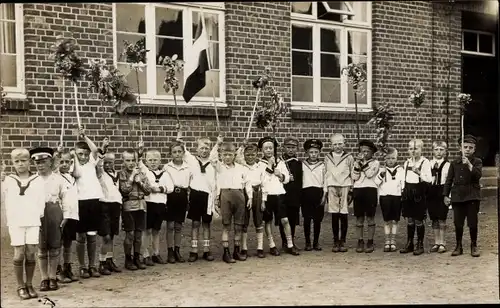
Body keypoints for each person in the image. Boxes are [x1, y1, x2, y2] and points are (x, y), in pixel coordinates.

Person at [2, 149, 45, 299]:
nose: (21, 164)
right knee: (19, 253)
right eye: (17, 161)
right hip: (16, 222)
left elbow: (41, 201)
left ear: (29, 161)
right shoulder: (8, 180)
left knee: (31, 252)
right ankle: (20, 286)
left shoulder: (37, 179)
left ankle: (29, 284)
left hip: (32, 221)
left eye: (24, 160)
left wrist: (38, 215)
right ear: (12, 163)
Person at [32, 147, 75, 292]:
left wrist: (66, 216)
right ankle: (44, 278)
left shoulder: (58, 179)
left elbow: (66, 197)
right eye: (37, 163)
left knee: (55, 247)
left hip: (54, 211)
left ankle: (52, 277)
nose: (40, 165)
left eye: (44, 162)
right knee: (42, 249)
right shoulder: (33, 180)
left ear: (50, 162)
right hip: (38, 214)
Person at [177, 129, 217, 262]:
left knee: (206, 224)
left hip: (208, 196)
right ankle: (193, 250)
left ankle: (206, 250)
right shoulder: (192, 160)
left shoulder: (213, 163)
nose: (204, 151)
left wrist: (219, 142)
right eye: (201, 148)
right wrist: (179, 134)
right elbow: (182, 146)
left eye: (207, 148)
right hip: (195, 195)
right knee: (195, 223)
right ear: (197, 149)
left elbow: (217, 149)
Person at [211, 137, 253, 263]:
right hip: (225, 195)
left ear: (234, 155)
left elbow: (248, 183)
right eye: (225, 155)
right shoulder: (219, 167)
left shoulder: (241, 168)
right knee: (226, 225)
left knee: (238, 226)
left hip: (239, 196)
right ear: (221, 155)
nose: (227, 157)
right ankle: (226, 252)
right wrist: (218, 144)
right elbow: (212, 158)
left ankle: (236, 250)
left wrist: (249, 197)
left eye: (230, 155)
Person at [259, 136, 299, 256]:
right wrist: (269, 167)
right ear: (262, 150)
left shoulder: (280, 162)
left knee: (285, 220)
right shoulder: (260, 164)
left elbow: (287, 179)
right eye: (266, 148)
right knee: (268, 221)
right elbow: (262, 181)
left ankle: (290, 244)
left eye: (271, 148)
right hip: (267, 196)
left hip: (279, 194)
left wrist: (280, 175)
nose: (269, 150)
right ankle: (272, 245)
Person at [73, 128, 105, 278]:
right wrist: (74, 155)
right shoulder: (74, 165)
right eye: (80, 154)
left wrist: (85, 136)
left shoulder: (92, 163)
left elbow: (95, 150)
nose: (84, 157)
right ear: (75, 154)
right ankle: (82, 266)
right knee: (80, 237)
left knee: (92, 235)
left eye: (85, 154)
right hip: (80, 203)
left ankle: (92, 265)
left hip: (94, 202)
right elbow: (76, 170)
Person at [444, 135, 482, 257]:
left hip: (472, 195)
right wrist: (446, 195)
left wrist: (469, 165)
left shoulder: (477, 162)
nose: (467, 150)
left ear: (474, 149)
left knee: (472, 222)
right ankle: (458, 245)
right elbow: (449, 180)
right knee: (458, 223)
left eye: (470, 147)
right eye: (465, 147)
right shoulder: (455, 163)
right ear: (461, 148)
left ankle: (473, 245)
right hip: (458, 196)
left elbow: (478, 176)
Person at [138, 146, 174, 266]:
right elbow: (139, 162)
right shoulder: (145, 172)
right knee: (146, 230)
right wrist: (140, 151)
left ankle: (156, 253)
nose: (153, 163)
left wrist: (159, 189)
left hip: (161, 204)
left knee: (156, 230)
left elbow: (171, 188)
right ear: (146, 161)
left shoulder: (165, 174)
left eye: (155, 160)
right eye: (150, 160)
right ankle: (145, 254)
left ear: (160, 161)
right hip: (149, 204)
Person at [119, 148, 153, 270]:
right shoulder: (122, 174)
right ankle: (128, 259)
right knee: (130, 234)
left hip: (141, 206)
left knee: (138, 235)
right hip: (129, 207)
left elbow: (148, 190)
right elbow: (124, 190)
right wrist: (132, 177)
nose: (131, 163)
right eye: (128, 160)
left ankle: (136, 258)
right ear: (123, 161)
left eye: (133, 160)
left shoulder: (142, 174)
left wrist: (140, 183)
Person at [400, 139, 433, 256]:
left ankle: (420, 244)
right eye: (411, 149)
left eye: (416, 148)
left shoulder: (425, 162)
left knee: (418, 219)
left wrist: (419, 172)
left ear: (421, 149)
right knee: (409, 219)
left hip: (419, 192)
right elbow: (403, 179)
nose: (413, 151)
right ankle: (410, 243)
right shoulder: (407, 163)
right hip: (408, 192)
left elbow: (429, 179)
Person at [236, 142, 267, 259]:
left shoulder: (261, 167)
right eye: (247, 155)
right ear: (244, 155)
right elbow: (237, 154)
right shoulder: (241, 166)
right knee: (245, 221)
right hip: (245, 195)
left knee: (259, 221)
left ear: (257, 154)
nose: (250, 157)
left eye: (253, 155)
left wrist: (264, 200)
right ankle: (244, 248)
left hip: (257, 193)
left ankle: (260, 248)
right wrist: (242, 146)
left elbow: (264, 184)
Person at [53, 148, 80, 282]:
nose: (64, 164)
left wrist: (74, 156)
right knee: (59, 243)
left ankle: (67, 267)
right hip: (62, 215)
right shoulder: (56, 176)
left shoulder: (73, 176)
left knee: (69, 243)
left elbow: (77, 170)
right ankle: (57, 270)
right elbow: (53, 167)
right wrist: (56, 155)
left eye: (67, 162)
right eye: (61, 161)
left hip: (73, 214)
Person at [324, 134, 354, 252]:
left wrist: (351, 189)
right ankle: (335, 240)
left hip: (345, 185)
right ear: (331, 145)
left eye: (340, 144)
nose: (337, 146)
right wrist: (325, 189)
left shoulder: (349, 157)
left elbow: (352, 173)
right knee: (334, 214)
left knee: (344, 213)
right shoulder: (327, 157)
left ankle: (343, 240)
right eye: (335, 144)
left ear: (344, 143)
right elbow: (326, 173)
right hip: (332, 186)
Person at [163, 141, 191, 264]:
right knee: (170, 225)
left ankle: (177, 251)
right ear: (170, 154)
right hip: (171, 195)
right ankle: (170, 251)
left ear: (183, 153)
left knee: (178, 226)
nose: (177, 154)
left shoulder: (188, 167)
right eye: (174, 152)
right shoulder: (167, 167)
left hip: (183, 196)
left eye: (179, 151)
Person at [96, 151, 124, 274]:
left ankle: (109, 260)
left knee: (112, 235)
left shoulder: (117, 174)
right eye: (106, 162)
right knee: (106, 236)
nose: (108, 165)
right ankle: (101, 263)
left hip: (115, 205)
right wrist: (101, 156)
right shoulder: (101, 174)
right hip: (104, 205)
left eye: (110, 162)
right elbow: (99, 167)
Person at [352, 140, 380, 253]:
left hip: (370, 190)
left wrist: (363, 163)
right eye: (362, 151)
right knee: (359, 217)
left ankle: (370, 240)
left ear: (372, 153)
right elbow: (354, 177)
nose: (364, 153)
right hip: (358, 190)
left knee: (370, 217)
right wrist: (358, 165)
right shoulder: (356, 162)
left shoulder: (375, 163)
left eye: (367, 151)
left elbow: (369, 174)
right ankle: (360, 240)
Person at [375, 147, 404, 252]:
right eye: (388, 158)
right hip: (385, 196)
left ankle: (393, 240)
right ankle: (387, 241)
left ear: (396, 158)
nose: (390, 161)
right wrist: (381, 175)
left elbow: (402, 183)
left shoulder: (400, 170)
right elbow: (376, 182)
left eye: (393, 158)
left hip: (396, 197)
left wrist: (403, 193)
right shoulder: (382, 170)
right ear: (385, 159)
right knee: (387, 220)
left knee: (395, 220)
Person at [301, 139, 326, 251]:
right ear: (307, 153)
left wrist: (324, 195)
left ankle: (316, 242)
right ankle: (307, 242)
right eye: (311, 152)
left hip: (318, 193)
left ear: (319, 153)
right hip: (306, 193)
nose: (313, 155)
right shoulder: (302, 165)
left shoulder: (323, 165)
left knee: (317, 219)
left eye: (316, 152)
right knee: (307, 219)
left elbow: (325, 181)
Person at [428, 141, 451, 253]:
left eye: (441, 150)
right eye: (436, 149)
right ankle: (436, 242)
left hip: (442, 191)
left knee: (442, 217)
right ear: (432, 151)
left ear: (445, 152)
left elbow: (450, 182)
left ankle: (442, 242)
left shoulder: (448, 165)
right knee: (434, 218)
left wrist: (448, 196)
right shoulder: (428, 164)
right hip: (432, 192)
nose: (438, 152)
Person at [281, 137, 303, 251]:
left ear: (297, 149)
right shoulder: (280, 162)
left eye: (293, 148)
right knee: (283, 219)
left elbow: (300, 181)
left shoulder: (299, 163)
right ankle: (284, 242)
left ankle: (291, 240)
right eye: (288, 147)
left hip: (294, 195)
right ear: (284, 148)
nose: (290, 150)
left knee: (292, 219)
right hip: (282, 194)